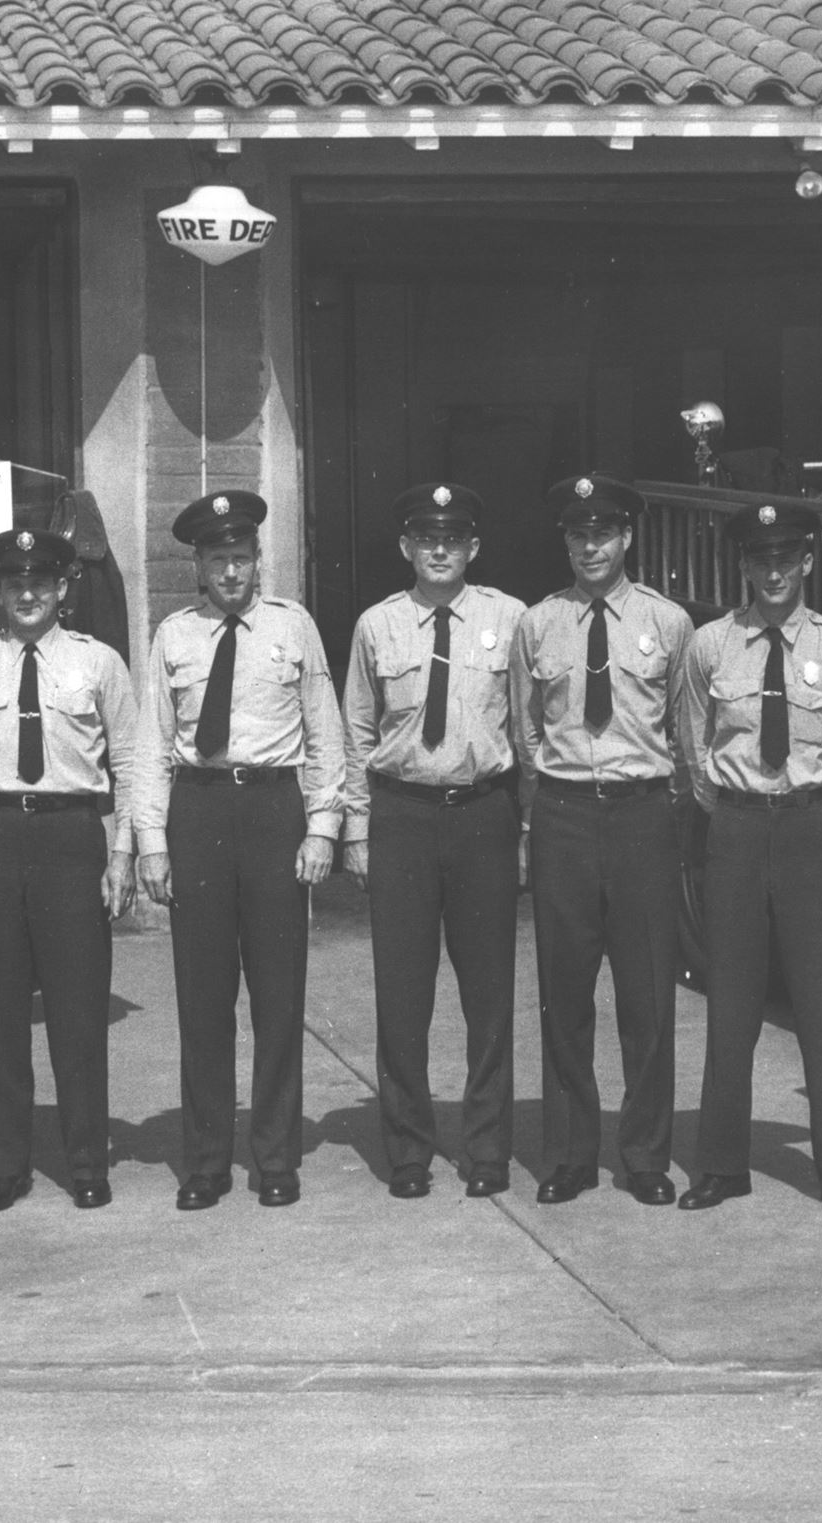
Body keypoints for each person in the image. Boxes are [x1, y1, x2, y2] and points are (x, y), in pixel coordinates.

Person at [132, 491, 344, 1210]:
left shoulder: (294, 627)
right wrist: (151, 844)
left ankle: (277, 1158)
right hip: (198, 809)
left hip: (273, 808)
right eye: (217, 558)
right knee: (203, 997)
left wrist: (321, 827)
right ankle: (206, 1161)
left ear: (259, 559)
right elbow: (151, 745)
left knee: (278, 996)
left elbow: (325, 731)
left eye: (241, 557)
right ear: (198, 564)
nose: (230, 571)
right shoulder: (175, 635)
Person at [674, 502, 822, 1216]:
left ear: (807, 563)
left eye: (786, 557)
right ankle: (722, 1164)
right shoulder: (710, 646)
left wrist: (816, 811)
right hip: (733, 827)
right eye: (760, 559)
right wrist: (734, 807)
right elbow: (695, 748)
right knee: (731, 1002)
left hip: (809, 828)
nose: (774, 571)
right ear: (745, 566)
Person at [0, 527, 139, 1216]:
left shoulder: (100, 663)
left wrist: (123, 852)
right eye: (15, 583)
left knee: (78, 1011)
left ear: (62, 589)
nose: (28, 594)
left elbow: (132, 762)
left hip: (69, 835)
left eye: (41, 582)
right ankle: (3, 1164)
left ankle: (87, 1160)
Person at [340, 483, 527, 1200]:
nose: (439, 548)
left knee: (488, 995)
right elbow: (358, 730)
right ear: (406, 547)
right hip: (403, 816)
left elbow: (528, 727)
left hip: (483, 812)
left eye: (453, 536)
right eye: (426, 536)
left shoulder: (511, 618)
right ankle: (409, 1148)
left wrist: (525, 828)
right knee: (403, 994)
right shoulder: (377, 625)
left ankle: (486, 1148)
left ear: (473, 547)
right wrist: (358, 826)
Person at [513, 475, 692, 1207]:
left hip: (642, 812)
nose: (592, 546)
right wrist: (547, 800)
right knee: (565, 990)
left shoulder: (668, 622)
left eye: (605, 533)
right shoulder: (538, 623)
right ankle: (569, 1154)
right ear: (565, 539)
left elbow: (687, 725)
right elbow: (525, 728)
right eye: (578, 534)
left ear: (626, 539)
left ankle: (646, 1154)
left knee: (647, 991)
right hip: (562, 813)